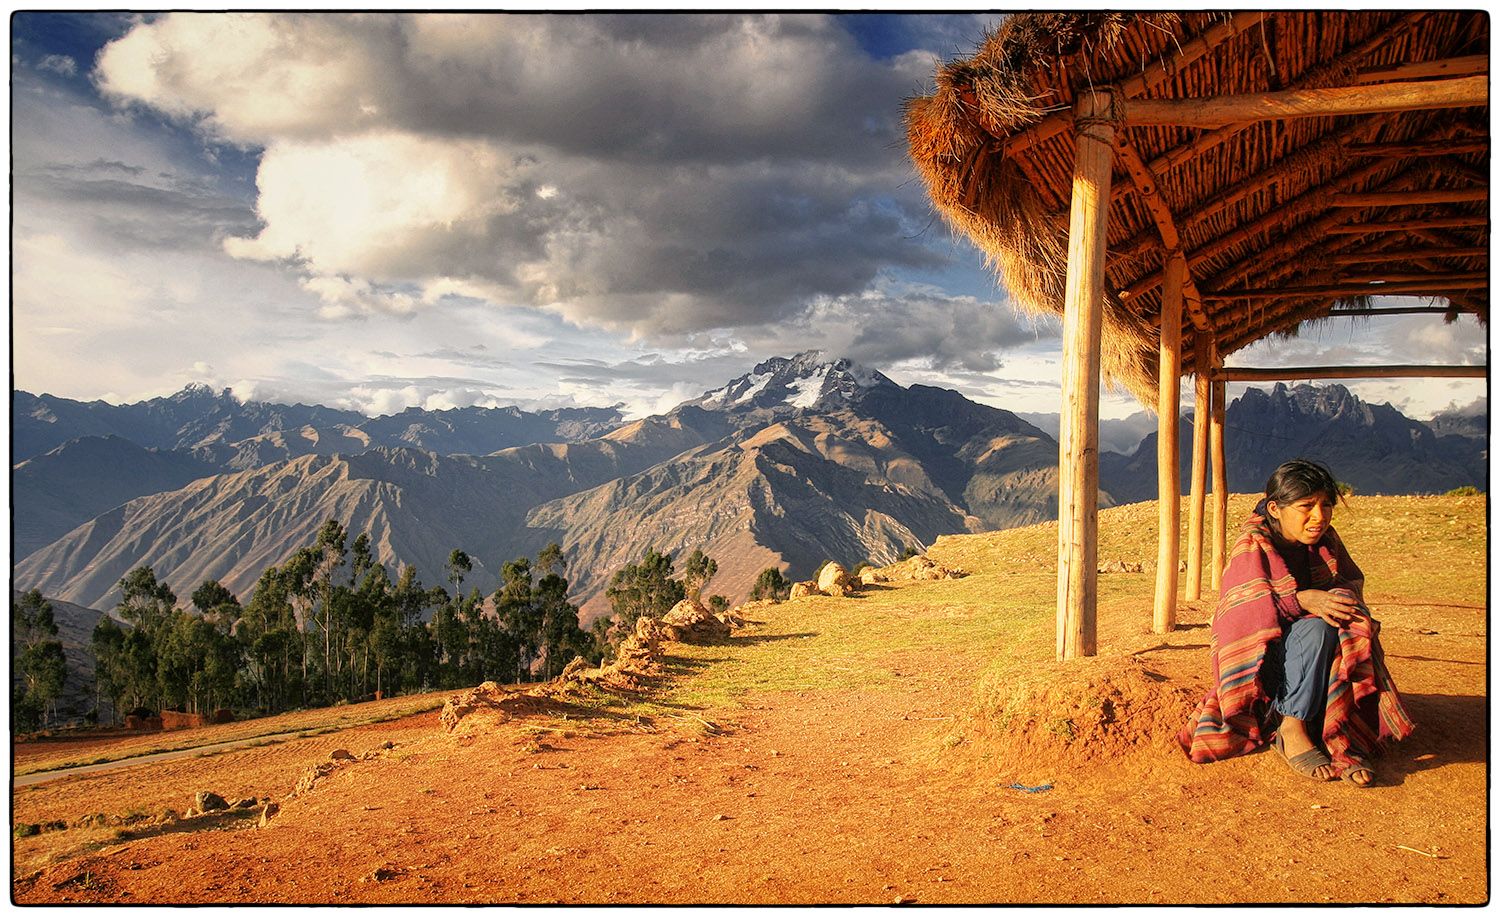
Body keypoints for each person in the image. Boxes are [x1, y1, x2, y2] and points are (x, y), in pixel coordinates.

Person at [1179, 459, 1414, 787]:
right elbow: (1242, 618)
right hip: (1266, 667)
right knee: (1317, 628)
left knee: (1346, 626)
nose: (1319, 516)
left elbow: (1349, 581)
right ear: (1275, 508)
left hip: (1316, 656)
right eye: (1307, 506)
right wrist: (1303, 600)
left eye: (1326, 505)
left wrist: (1340, 601)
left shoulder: (1325, 541)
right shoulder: (1253, 545)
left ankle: (1341, 732)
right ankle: (1291, 728)